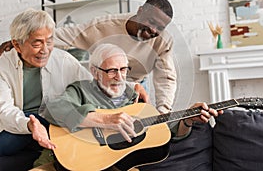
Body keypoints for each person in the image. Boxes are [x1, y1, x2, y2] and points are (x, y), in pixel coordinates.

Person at [42, 43, 222, 170]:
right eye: (111, 70)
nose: (119, 77)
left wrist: (188, 119)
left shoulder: (134, 97)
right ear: (95, 72)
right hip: (76, 158)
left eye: (123, 69)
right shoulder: (81, 89)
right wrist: (105, 120)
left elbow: (167, 132)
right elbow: (54, 109)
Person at [0, 0, 177, 114]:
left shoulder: (163, 41)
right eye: (151, 21)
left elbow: (166, 79)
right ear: (140, 11)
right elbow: (63, 36)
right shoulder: (103, 26)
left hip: (137, 85)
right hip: (103, 82)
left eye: (160, 27)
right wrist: (21, 42)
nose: (153, 30)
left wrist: (163, 111)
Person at [0, 8, 94, 169]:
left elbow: (95, 85)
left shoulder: (63, 60)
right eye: (37, 43)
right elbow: (5, 111)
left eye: (49, 41)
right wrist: (30, 125)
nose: (45, 50)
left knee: (45, 116)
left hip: (53, 132)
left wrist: (132, 88)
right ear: (16, 45)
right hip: (17, 136)